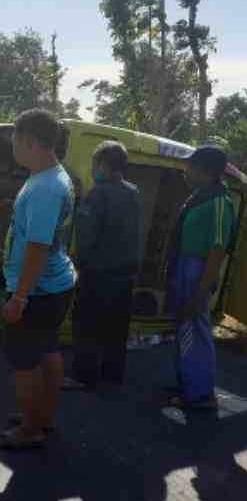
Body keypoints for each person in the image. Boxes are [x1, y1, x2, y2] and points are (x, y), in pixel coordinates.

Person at [0, 109, 76, 450]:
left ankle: (30, 430)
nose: (12, 145)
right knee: (48, 351)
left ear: (29, 141)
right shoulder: (52, 176)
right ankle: (42, 417)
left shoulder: (45, 188)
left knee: (24, 361)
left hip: (38, 292)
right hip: (55, 285)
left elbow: (38, 247)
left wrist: (19, 297)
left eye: (14, 138)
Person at [63, 141, 143, 392]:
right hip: (126, 274)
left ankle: (82, 376)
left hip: (99, 272)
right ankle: (112, 374)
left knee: (86, 325)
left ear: (103, 165)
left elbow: (87, 235)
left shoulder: (98, 194)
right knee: (116, 328)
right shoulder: (134, 192)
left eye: (95, 164)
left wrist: (76, 259)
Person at [165, 146, 236, 410]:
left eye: (191, 166)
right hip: (186, 268)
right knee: (185, 328)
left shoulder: (219, 202)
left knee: (197, 329)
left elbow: (218, 249)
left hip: (198, 272)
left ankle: (201, 394)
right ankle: (187, 382)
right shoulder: (199, 197)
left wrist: (201, 290)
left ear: (206, 171)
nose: (186, 171)